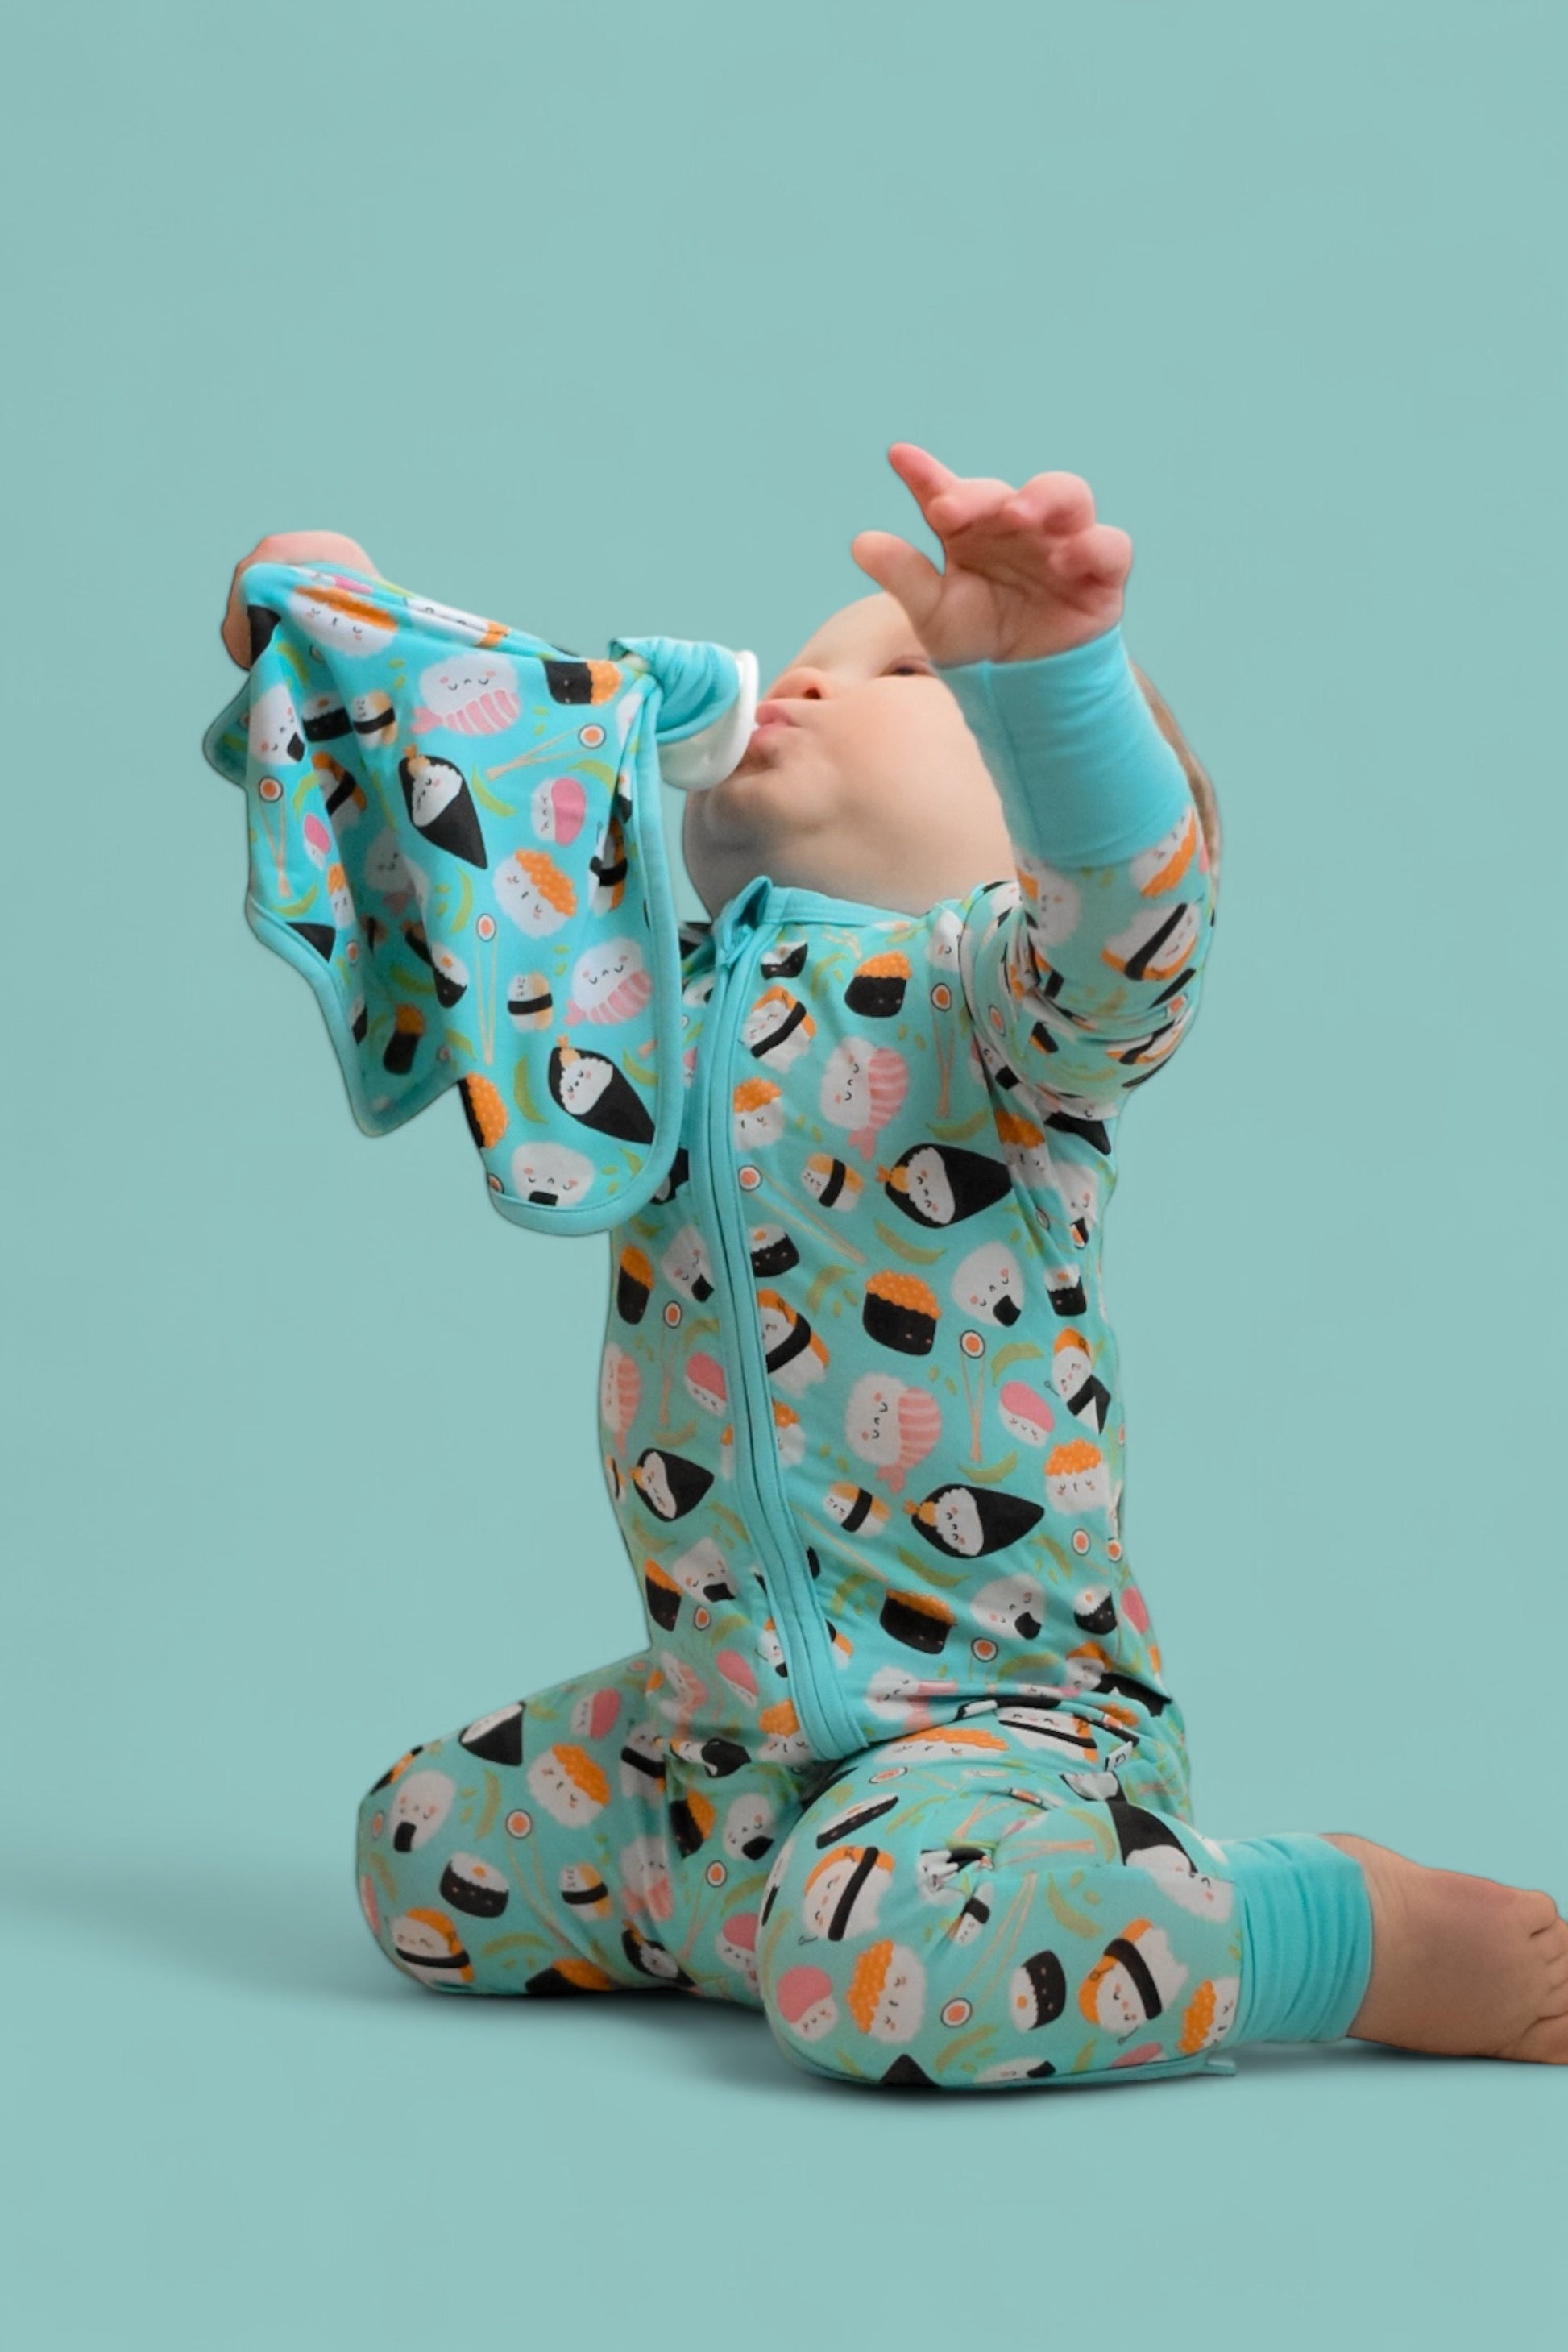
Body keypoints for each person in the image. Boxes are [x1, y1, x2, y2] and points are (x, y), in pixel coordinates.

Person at [218, 444, 1568, 2085]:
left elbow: (1127, 925)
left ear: (1027, 836)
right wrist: (341, 619)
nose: (805, 681)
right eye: (808, 658)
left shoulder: (998, 1008)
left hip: (996, 1734)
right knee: (420, 1853)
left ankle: (1339, 1926)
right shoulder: (638, 1003)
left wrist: (1054, 683)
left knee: (887, 1965)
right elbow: (465, 825)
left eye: (906, 676)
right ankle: (799, 1911)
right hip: (716, 1740)